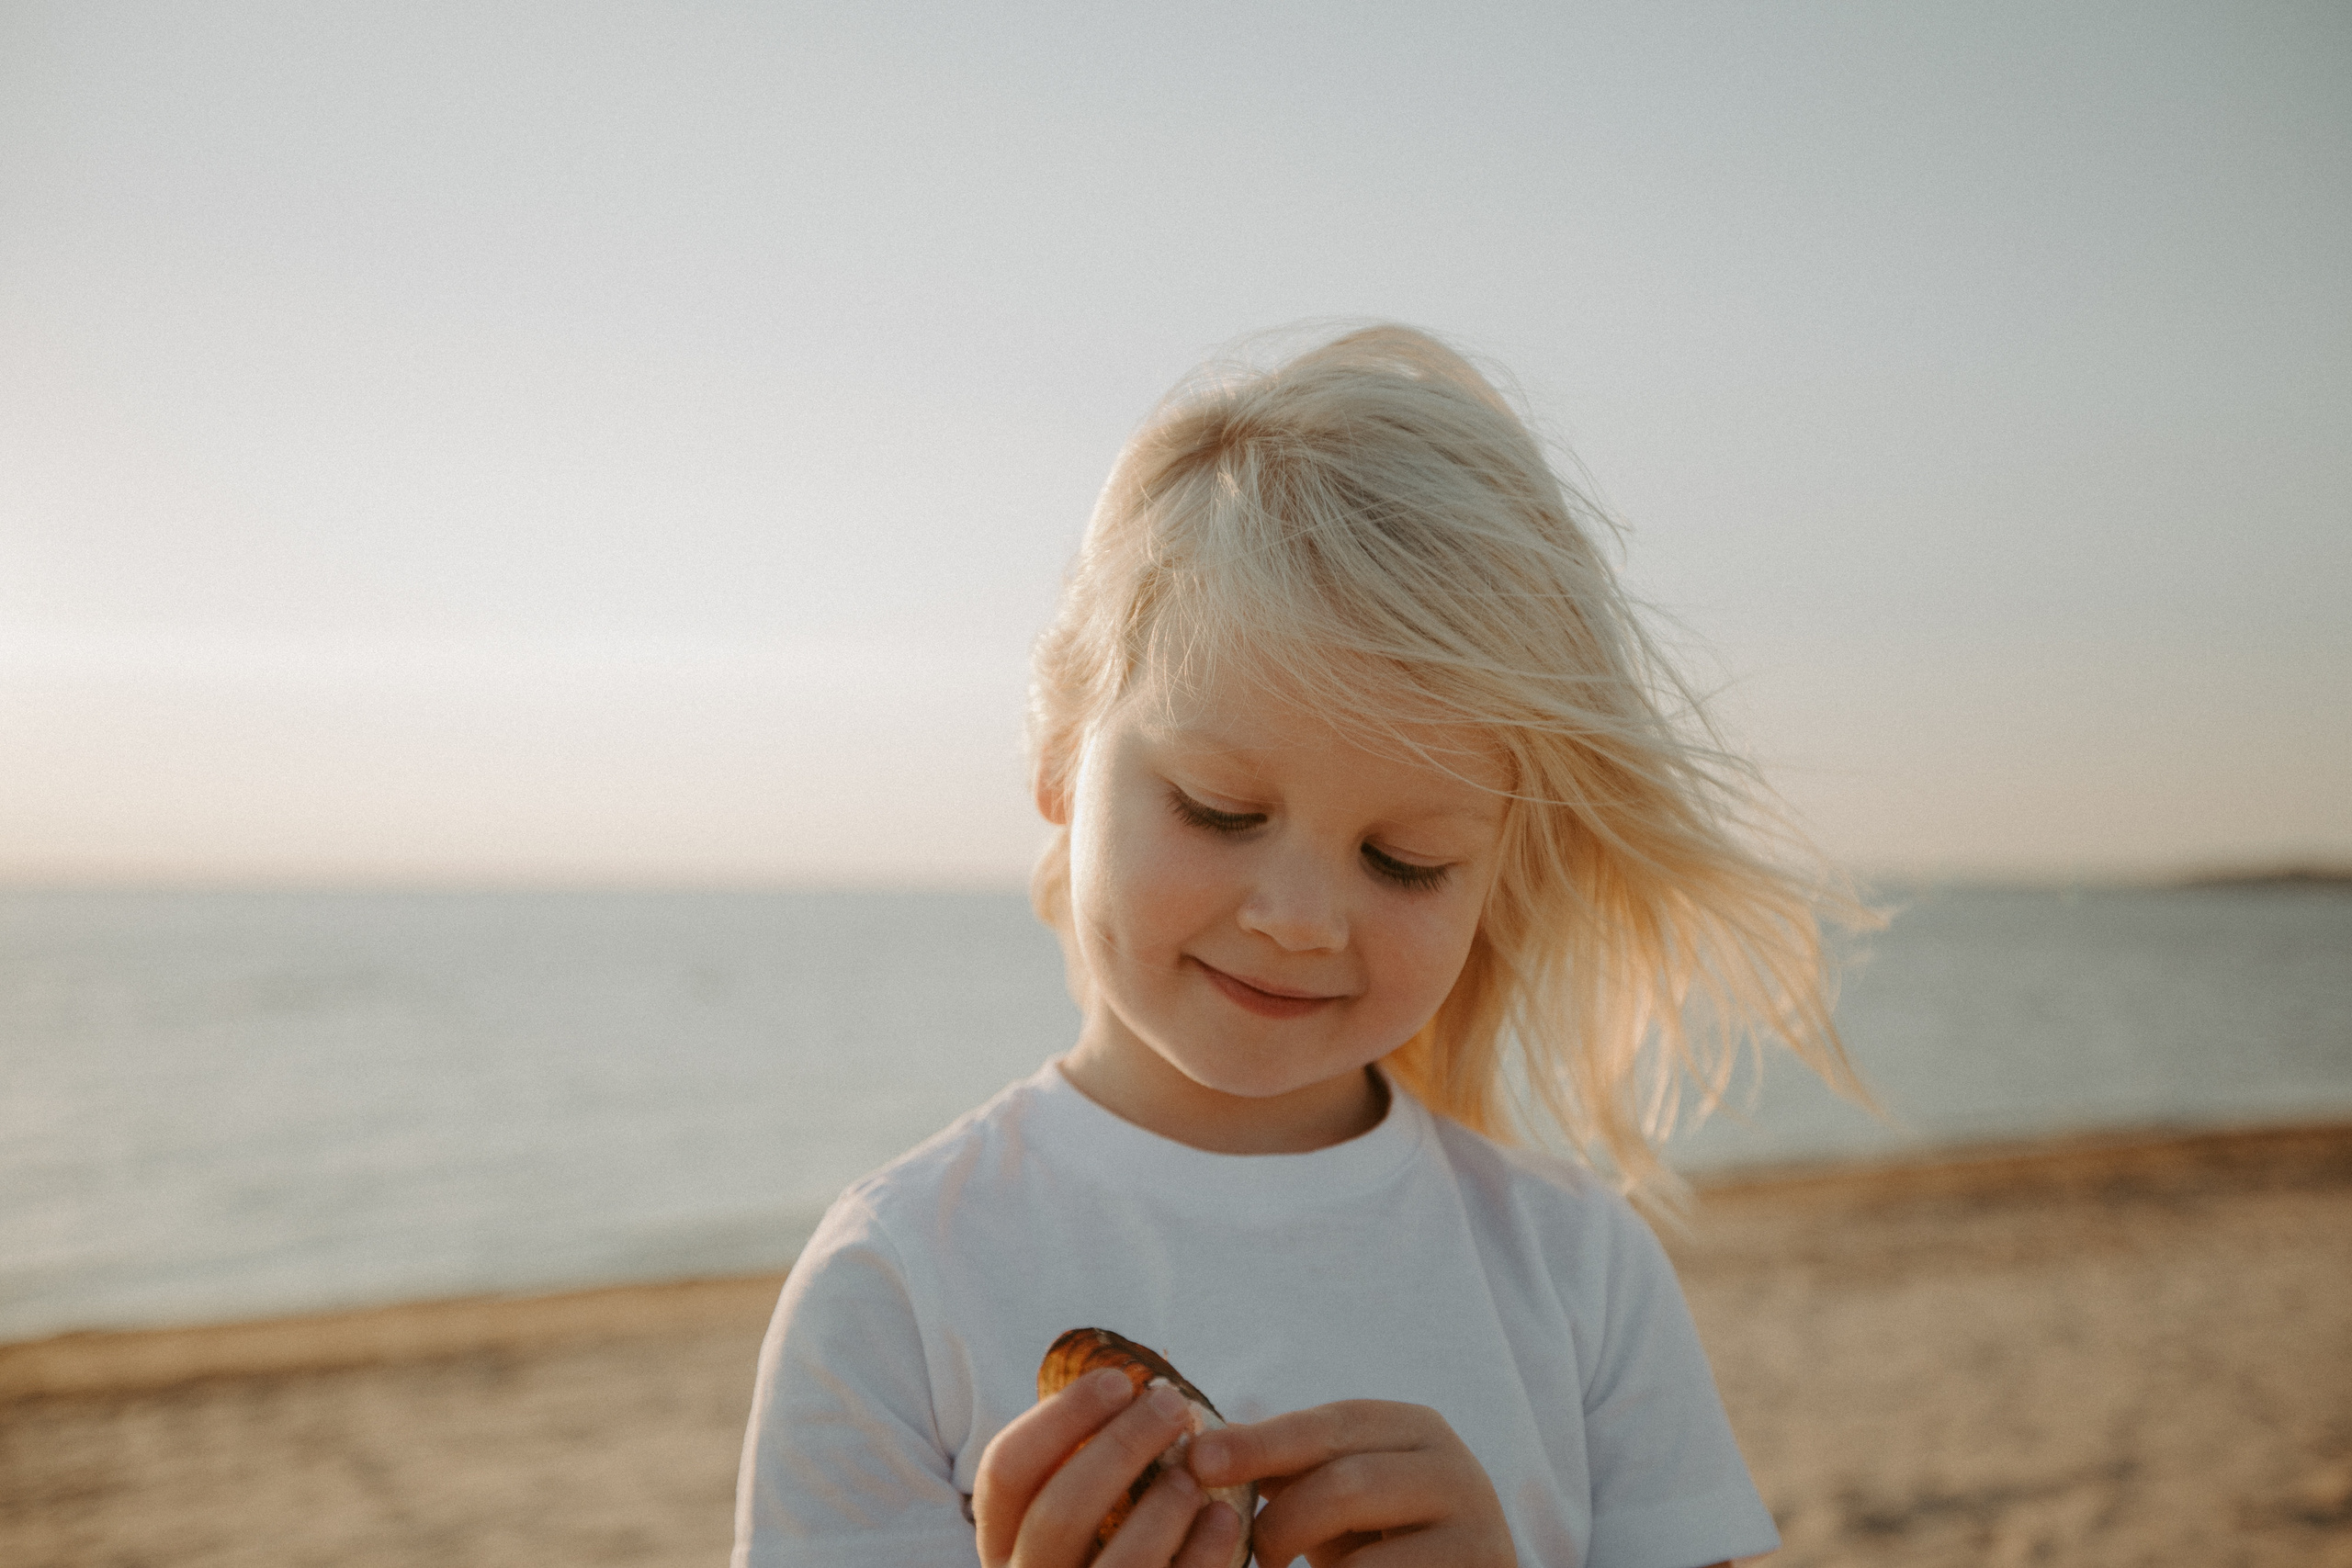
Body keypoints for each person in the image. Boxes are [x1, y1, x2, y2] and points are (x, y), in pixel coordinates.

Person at [732, 325, 1861, 1568]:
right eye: (1222, 812)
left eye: (1406, 859)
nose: (1301, 918)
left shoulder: (1577, 1272)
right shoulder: (902, 1278)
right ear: (1062, 754)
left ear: (1493, 875)